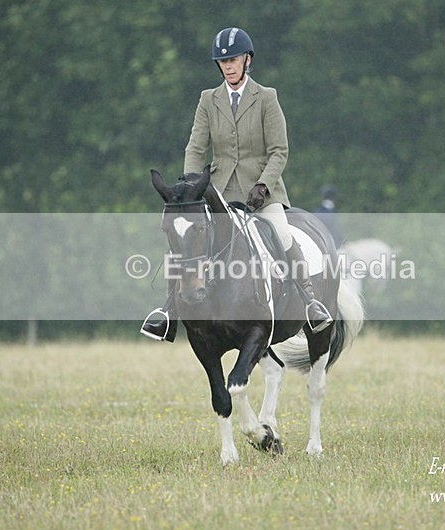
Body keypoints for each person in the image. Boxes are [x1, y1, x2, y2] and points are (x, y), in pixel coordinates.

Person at [141, 27, 333, 342]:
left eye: (233, 60)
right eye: (223, 61)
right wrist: (192, 186)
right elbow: (195, 147)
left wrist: (264, 184)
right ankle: (167, 313)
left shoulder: (267, 97)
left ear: (247, 60)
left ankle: (311, 302)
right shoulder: (208, 99)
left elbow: (279, 151)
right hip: (216, 192)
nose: (228, 66)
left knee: (283, 235)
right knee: (187, 240)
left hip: (261, 192)